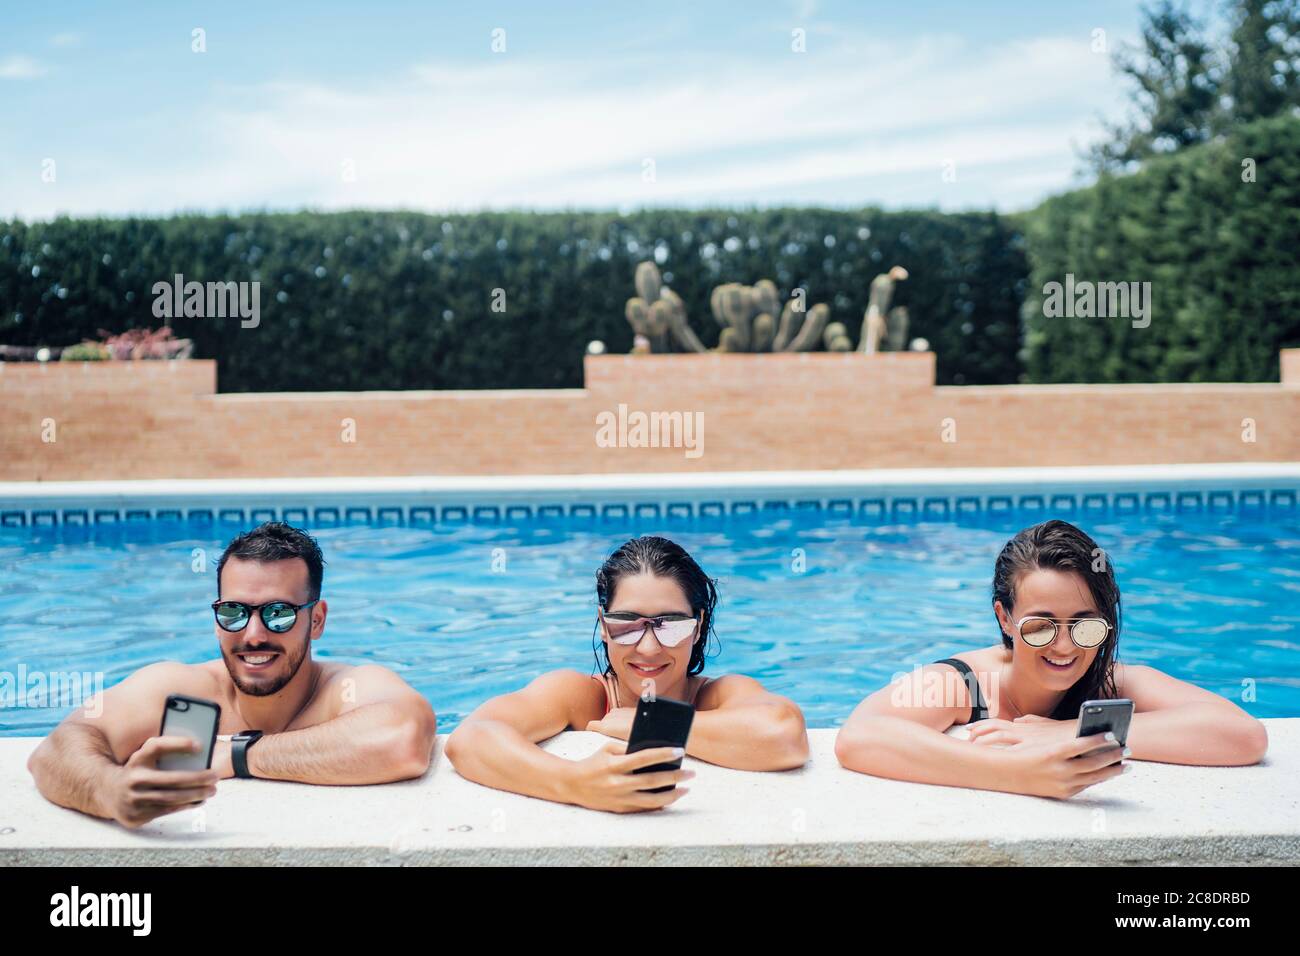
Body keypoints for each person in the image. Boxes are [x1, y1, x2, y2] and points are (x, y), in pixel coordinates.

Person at [28, 522, 437, 828]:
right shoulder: (181, 688)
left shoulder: (343, 689)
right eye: (234, 613)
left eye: (278, 614)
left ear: (316, 621)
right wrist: (109, 791)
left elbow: (402, 741)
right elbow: (56, 751)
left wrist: (236, 756)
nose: (253, 635)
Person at [835, 519, 1268, 799]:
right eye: (1040, 627)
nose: (1064, 647)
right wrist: (1017, 772)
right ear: (1005, 619)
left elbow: (1243, 735)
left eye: (1085, 626)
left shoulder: (1109, 681)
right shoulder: (965, 683)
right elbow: (860, 736)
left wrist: (1064, 733)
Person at [446, 535, 808, 813]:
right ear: (603, 625)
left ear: (697, 628)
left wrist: (647, 722)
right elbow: (471, 738)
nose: (648, 648)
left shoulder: (716, 697)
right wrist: (575, 783)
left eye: (670, 626)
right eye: (627, 625)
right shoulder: (582, 697)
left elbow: (784, 735)